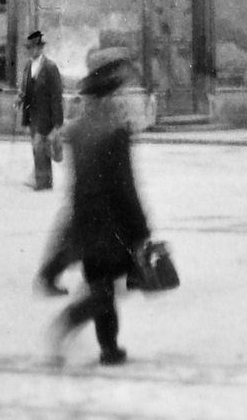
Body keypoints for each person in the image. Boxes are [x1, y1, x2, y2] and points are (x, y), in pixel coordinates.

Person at [47, 48, 151, 367]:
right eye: (116, 95)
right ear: (108, 97)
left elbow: (79, 183)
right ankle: (79, 331)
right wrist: (141, 229)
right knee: (104, 291)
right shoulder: (115, 131)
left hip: (85, 220)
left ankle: (108, 347)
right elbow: (126, 185)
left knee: (101, 285)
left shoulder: (78, 130)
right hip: (113, 225)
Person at [18, 30, 64, 191]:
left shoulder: (50, 67)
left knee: (39, 145)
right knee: (38, 147)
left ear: (40, 48)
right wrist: (20, 98)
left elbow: (57, 96)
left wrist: (58, 123)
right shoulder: (28, 66)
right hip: (31, 114)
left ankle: (42, 182)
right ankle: (44, 180)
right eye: (29, 48)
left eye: (34, 48)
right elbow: (26, 89)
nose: (31, 51)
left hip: (46, 115)